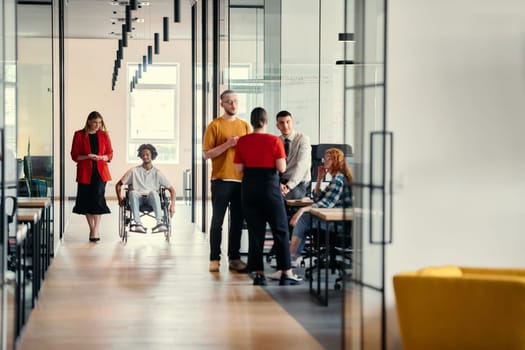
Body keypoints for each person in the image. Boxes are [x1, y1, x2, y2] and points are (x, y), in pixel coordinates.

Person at [234, 107, 302, 286]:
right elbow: (282, 168)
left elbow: (239, 169)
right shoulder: (274, 140)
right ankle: (286, 272)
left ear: (252, 122)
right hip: (270, 188)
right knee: (280, 229)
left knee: (256, 232)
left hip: (249, 188)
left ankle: (258, 274)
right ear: (266, 122)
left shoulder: (242, 141)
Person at [202, 90, 251, 273]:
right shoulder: (214, 125)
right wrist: (228, 144)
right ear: (221, 103)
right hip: (221, 180)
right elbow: (207, 154)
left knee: (237, 221)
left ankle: (235, 258)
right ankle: (214, 258)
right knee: (217, 222)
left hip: (241, 182)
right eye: (229, 101)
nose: (233, 105)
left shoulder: (245, 126)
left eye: (236, 101)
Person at [287, 148, 353, 261]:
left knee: (303, 219)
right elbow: (319, 198)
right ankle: (291, 257)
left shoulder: (338, 179)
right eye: (324, 159)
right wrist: (319, 179)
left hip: (338, 225)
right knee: (304, 218)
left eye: (328, 159)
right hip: (336, 223)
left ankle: (290, 258)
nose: (324, 161)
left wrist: (301, 210)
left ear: (335, 161)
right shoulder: (337, 178)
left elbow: (325, 204)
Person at [71, 111, 113, 242]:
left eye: (100, 122)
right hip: (85, 172)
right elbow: (74, 155)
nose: (97, 125)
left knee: (97, 199)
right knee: (87, 200)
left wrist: (102, 157)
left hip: (101, 172)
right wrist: (87, 156)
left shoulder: (104, 135)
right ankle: (92, 229)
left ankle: (96, 229)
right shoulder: (79, 135)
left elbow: (110, 153)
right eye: (95, 122)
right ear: (89, 121)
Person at [115, 144, 176, 233]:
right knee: (132, 193)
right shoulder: (133, 171)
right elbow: (118, 185)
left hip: (151, 199)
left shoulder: (157, 173)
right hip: (137, 199)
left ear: (152, 155)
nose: (145, 157)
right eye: (143, 155)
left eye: (147, 154)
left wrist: (172, 206)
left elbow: (172, 190)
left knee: (154, 193)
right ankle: (138, 223)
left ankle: (159, 222)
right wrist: (119, 199)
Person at [275, 110, 311, 199]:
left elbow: (302, 165)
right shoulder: (276, 141)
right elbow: (273, 166)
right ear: (277, 126)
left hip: (299, 183)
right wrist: (277, 183)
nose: (285, 126)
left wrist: (288, 186)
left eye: (288, 122)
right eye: (281, 123)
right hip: (281, 182)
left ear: (292, 122)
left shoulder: (303, 139)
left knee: (277, 197)